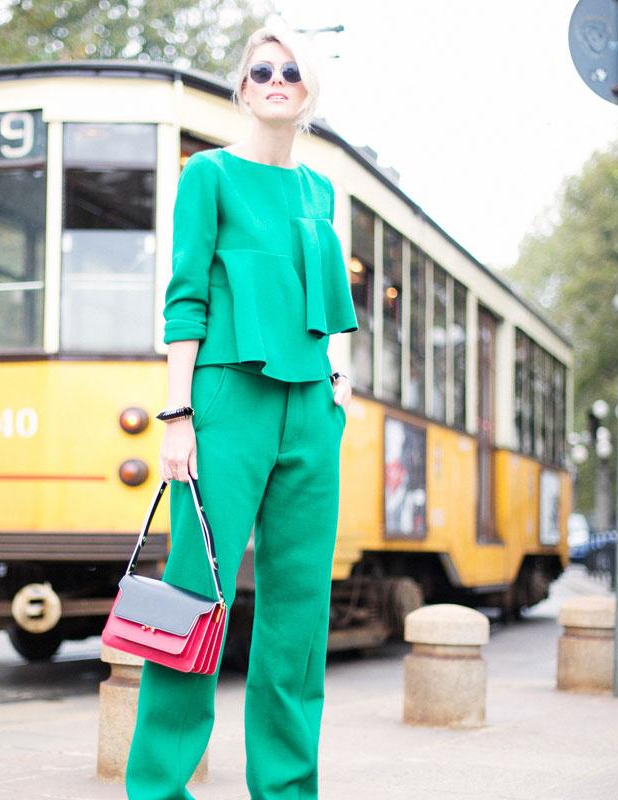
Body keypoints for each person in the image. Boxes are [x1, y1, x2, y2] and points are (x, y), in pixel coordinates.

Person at [125, 26, 357, 800]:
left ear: (309, 88)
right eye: (261, 69)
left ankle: (287, 789)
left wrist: (339, 377)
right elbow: (186, 299)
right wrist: (177, 414)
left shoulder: (320, 191)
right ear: (243, 86)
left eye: (290, 69)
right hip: (225, 403)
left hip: (310, 411)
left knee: (299, 612)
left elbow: (327, 301)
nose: (275, 79)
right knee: (194, 594)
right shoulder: (209, 176)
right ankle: (159, 787)